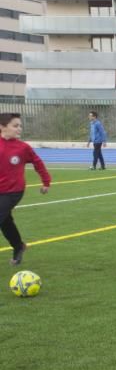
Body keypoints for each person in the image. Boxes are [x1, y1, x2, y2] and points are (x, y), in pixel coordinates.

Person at [0, 113, 50, 266]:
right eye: (15, 126)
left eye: (20, 125)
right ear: (2, 127)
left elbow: (38, 163)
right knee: (5, 222)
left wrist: (46, 182)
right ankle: (18, 246)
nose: (19, 129)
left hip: (13, 191)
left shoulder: (23, 148)